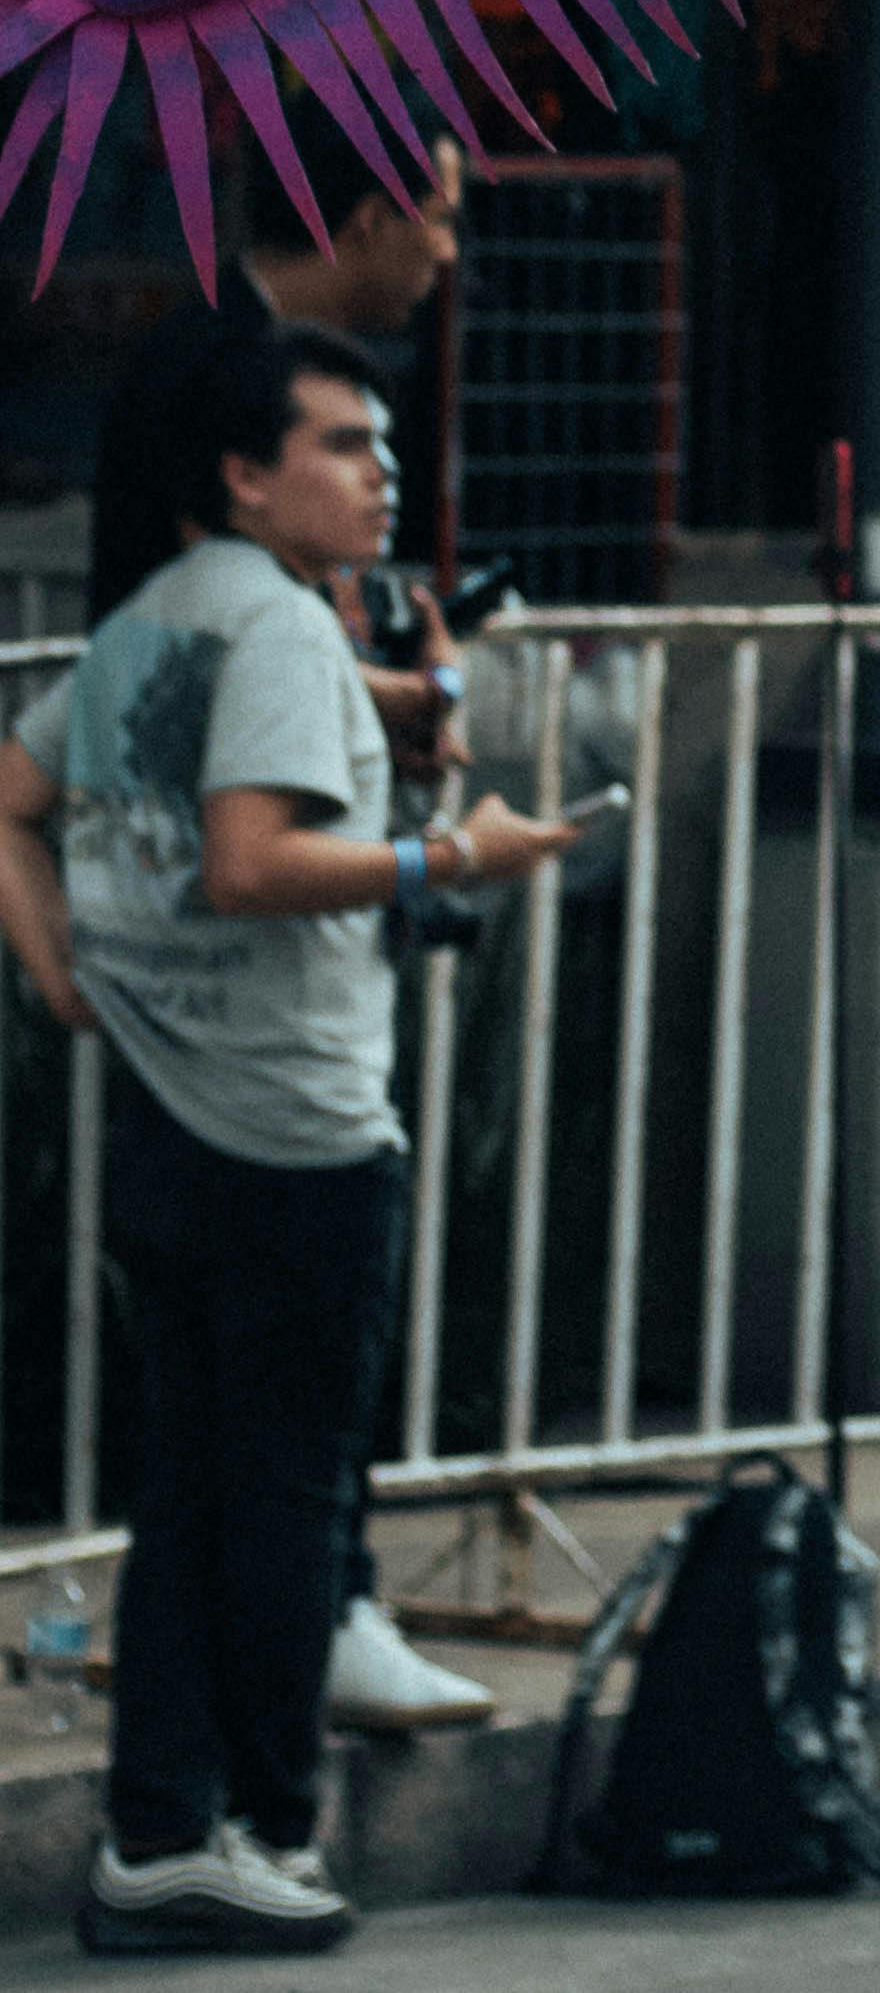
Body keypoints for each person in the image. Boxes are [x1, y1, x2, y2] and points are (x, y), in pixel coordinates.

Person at [0, 332, 583, 1958]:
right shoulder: (263, 620)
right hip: (292, 1130)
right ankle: (255, 1821)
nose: (379, 467)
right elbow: (256, 860)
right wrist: (454, 848)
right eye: (341, 440)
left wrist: (64, 975)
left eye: (382, 439)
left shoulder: (166, 617)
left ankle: (160, 1831)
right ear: (247, 474)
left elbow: (10, 789)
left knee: (196, 1493)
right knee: (279, 1501)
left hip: (176, 1119)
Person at [83, 155, 490, 1744]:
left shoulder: (275, 425)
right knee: (243, 1379)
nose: (449, 250)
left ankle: (293, 1652)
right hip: (221, 960)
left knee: (253, 1376)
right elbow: (170, 651)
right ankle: (257, 1720)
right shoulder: (207, 382)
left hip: (219, 925)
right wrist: (428, 826)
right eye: (440, 212)